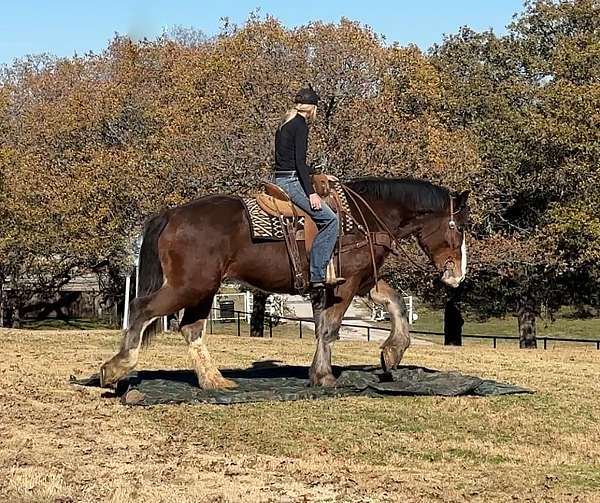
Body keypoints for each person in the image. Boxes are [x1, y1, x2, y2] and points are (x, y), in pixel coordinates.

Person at [273, 87, 345, 290]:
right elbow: (299, 162)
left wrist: (317, 177)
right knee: (331, 220)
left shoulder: (285, 123)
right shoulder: (300, 125)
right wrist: (311, 193)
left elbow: (288, 161)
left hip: (280, 178)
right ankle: (317, 273)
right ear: (312, 108)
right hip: (291, 182)